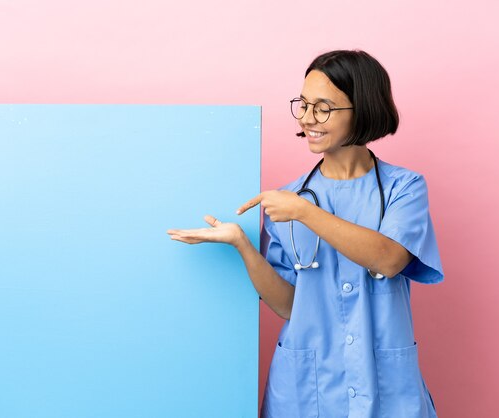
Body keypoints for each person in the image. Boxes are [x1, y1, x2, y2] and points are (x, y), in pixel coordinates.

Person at [167, 49, 443, 418]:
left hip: (386, 383)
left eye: (323, 107)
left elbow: (390, 259)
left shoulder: (402, 188)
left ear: (361, 109)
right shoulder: (287, 202)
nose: (308, 118)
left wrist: (306, 213)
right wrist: (243, 245)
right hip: (305, 386)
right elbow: (287, 305)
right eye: (303, 104)